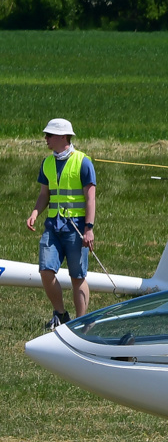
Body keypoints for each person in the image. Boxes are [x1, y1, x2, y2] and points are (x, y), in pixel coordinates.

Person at [25, 118, 95, 325]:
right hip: (53, 226)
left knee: (77, 276)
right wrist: (35, 212)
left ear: (63, 136)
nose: (45, 139)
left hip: (76, 227)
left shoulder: (83, 162)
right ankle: (60, 314)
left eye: (49, 135)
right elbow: (44, 194)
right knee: (46, 270)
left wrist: (89, 229)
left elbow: (90, 197)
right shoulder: (47, 163)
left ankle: (81, 323)